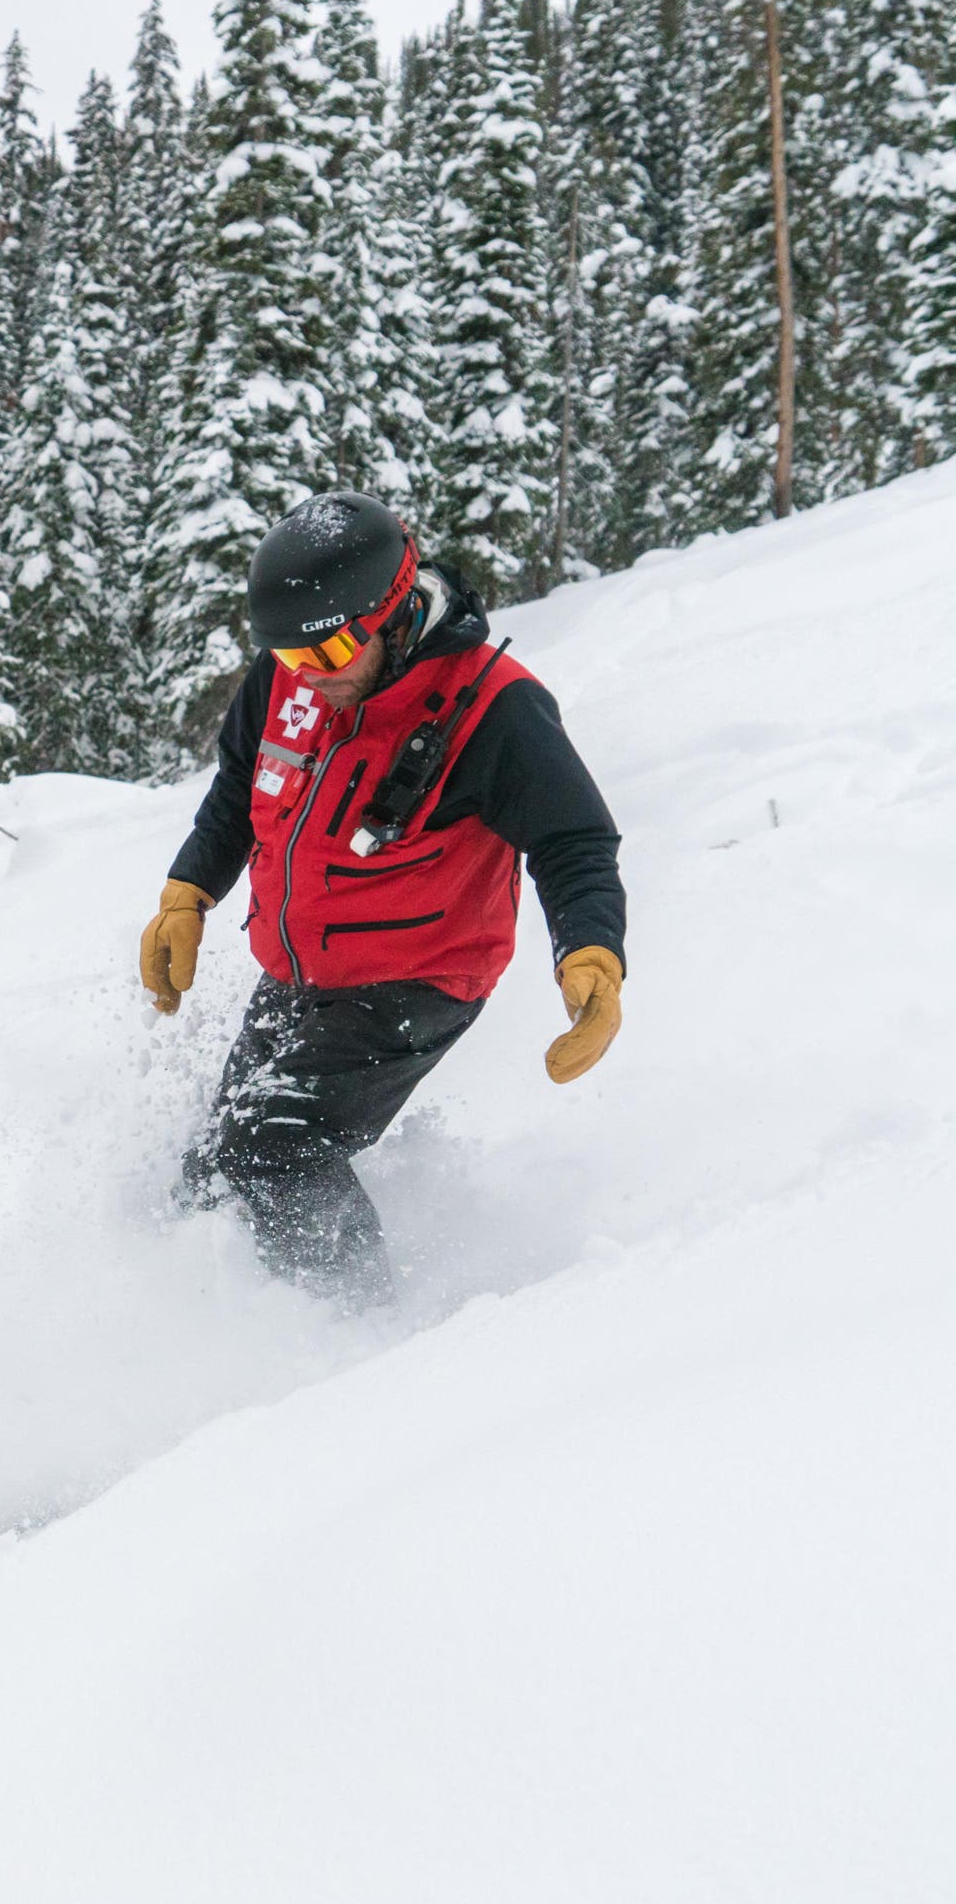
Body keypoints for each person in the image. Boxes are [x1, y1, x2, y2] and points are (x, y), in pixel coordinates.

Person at [137, 492, 627, 1305]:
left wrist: (590, 952)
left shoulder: (495, 708)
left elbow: (574, 839)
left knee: (276, 1142)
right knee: (220, 1159)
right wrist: (188, 890)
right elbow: (237, 791)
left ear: (394, 612)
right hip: (302, 968)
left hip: (418, 976)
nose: (309, 676)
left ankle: (356, 1332)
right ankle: (182, 1309)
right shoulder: (291, 677)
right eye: (290, 657)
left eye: (328, 652)